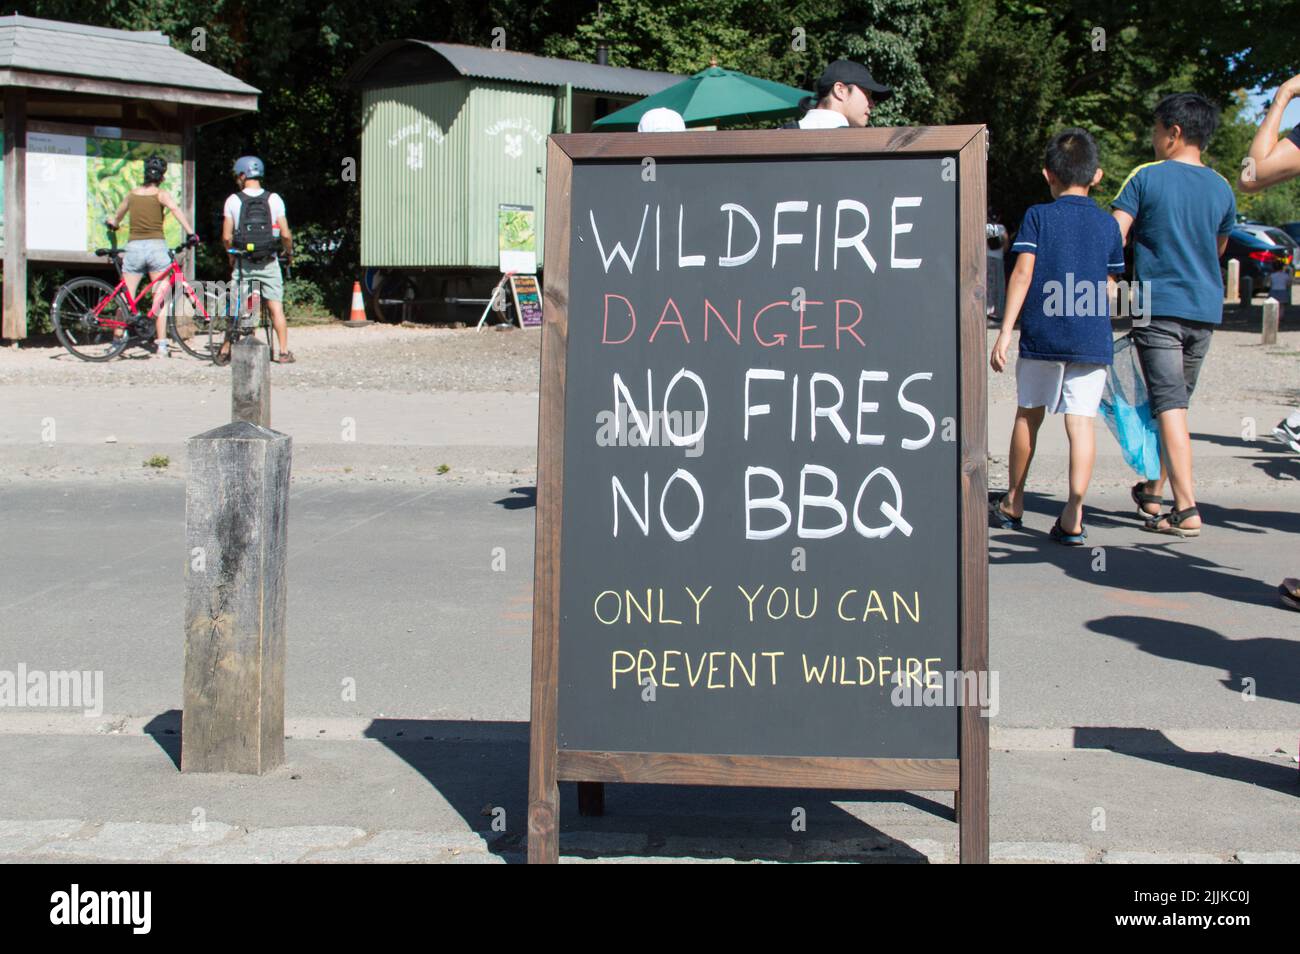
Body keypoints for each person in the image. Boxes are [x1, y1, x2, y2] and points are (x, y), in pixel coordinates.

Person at [989, 129, 1125, 544]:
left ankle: (1013, 502)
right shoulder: (1108, 227)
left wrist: (1006, 331)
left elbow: (1023, 273)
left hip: (1043, 334)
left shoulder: (1037, 217)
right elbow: (1110, 287)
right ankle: (1073, 515)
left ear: (1048, 173)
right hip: (1090, 337)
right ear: (1097, 176)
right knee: (1080, 423)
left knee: (1028, 413)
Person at [1111, 93, 1237, 538]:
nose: (1153, 138)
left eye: (1156, 129)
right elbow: (1219, 249)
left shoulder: (1147, 177)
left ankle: (1186, 509)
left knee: (1168, 406)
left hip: (1158, 306)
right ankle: (1153, 492)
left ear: (1174, 132)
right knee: (1175, 407)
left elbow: (1115, 235)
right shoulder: (1223, 187)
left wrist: (1108, 284)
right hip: (1204, 309)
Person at [104, 154, 196, 358]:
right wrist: (191, 233)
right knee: (159, 298)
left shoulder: (132, 194)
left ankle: (116, 341)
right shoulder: (161, 195)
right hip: (157, 248)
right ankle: (161, 345)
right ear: (161, 177)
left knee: (125, 298)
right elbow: (175, 210)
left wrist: (112, 223)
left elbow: (116, 218)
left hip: (134, 248)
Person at [221, 155, 294, 364]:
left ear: (243, 175)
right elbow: (286, 234)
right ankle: (283, 352)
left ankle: (229, 349)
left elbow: (226, 237)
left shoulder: (233, 200)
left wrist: (231, 256)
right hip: (269, 261)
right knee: (275, 308)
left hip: (244, 262)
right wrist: (287, 252)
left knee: (241, 307)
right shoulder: (274, 199)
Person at [782, 60, 891, 129]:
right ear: (840, 90)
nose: (872, 104)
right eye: (867, 94)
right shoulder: (860, 147)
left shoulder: (778, 136)